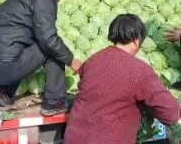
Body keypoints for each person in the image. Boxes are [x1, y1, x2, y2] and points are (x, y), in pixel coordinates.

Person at [64, 14, 180, 144]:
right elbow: (171, 113)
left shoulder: (93, 60)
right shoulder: (140, 71)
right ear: (137, 40)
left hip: (74, 138)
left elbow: (89, 79)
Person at [0, 0, 82, 116]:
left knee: (33, 43)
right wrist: (72, 61)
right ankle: (55, 101)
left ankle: (0, 92)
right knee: (51, 47)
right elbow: (48, 39)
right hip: (3, 67)